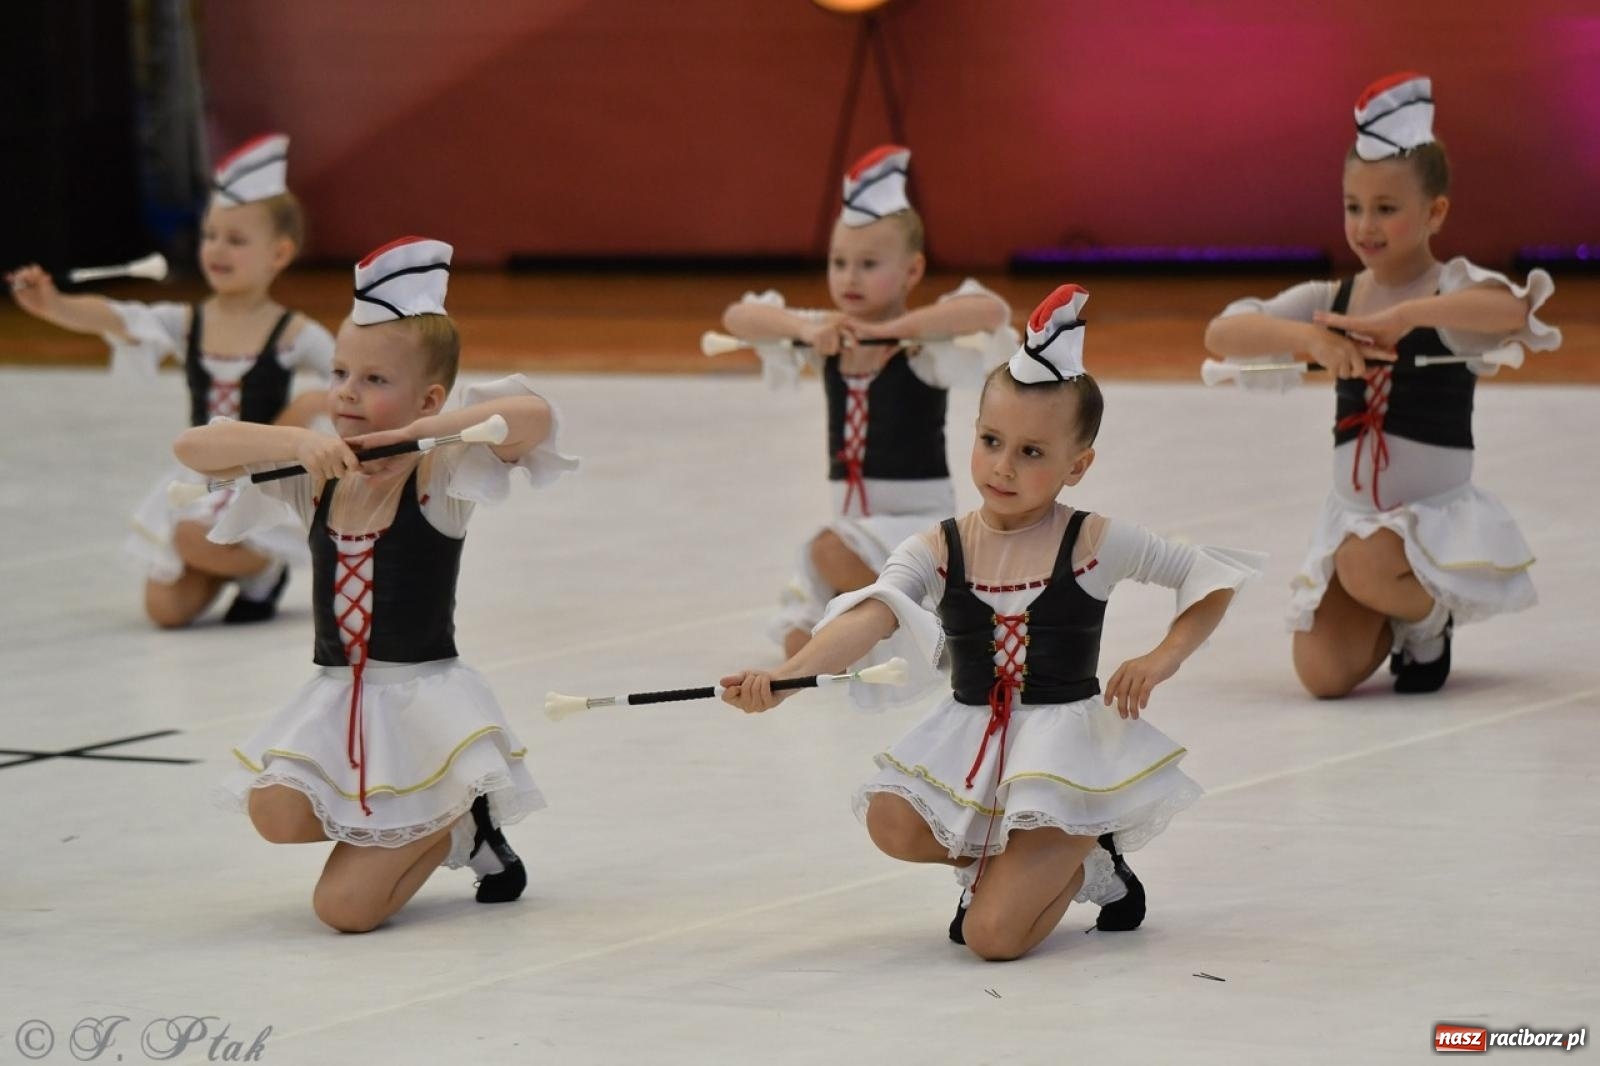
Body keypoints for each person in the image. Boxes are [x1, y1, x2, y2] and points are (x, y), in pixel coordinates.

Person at [722, 285, 1262, 961]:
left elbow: (1209, 575)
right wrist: (786, 676)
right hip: (976, 734)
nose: (1003, 466)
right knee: (891, 820)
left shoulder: (1093, 540)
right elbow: (873, 611)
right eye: (990, 441)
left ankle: (1085, 856)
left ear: (1078, 465)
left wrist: (1164, 656)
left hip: (1063, 752)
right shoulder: (940, 545)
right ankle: (1025, 863)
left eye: (1033, 453)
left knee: (992, 941)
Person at [176, 236, 578, 932]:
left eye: (374, 380)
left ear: (426, 396)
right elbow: (193, 449)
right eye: (340, 373)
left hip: (421, 705)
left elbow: (533, 418)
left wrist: (421, 434)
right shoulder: (316, 480)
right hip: (337, 702)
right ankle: (409, 824)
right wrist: (294, 442)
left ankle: (455, 821)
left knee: (343, 912)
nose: (347, 394)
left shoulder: (441, 476)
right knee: (273, 811)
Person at [1203, 73, 1561, 697]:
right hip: (1357, 523)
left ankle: (1429, 623)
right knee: (1322, 675)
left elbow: (1511, 312)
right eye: (1354, 206)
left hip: (1428, 519)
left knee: (1365, 560)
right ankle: (1397, 616)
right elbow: (1222, 335)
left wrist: (1408, 317)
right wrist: (1310, 340)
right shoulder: (1333, 297)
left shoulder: (1449, 288)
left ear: (1435, 213)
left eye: (1387, 209)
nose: (1366, 225)